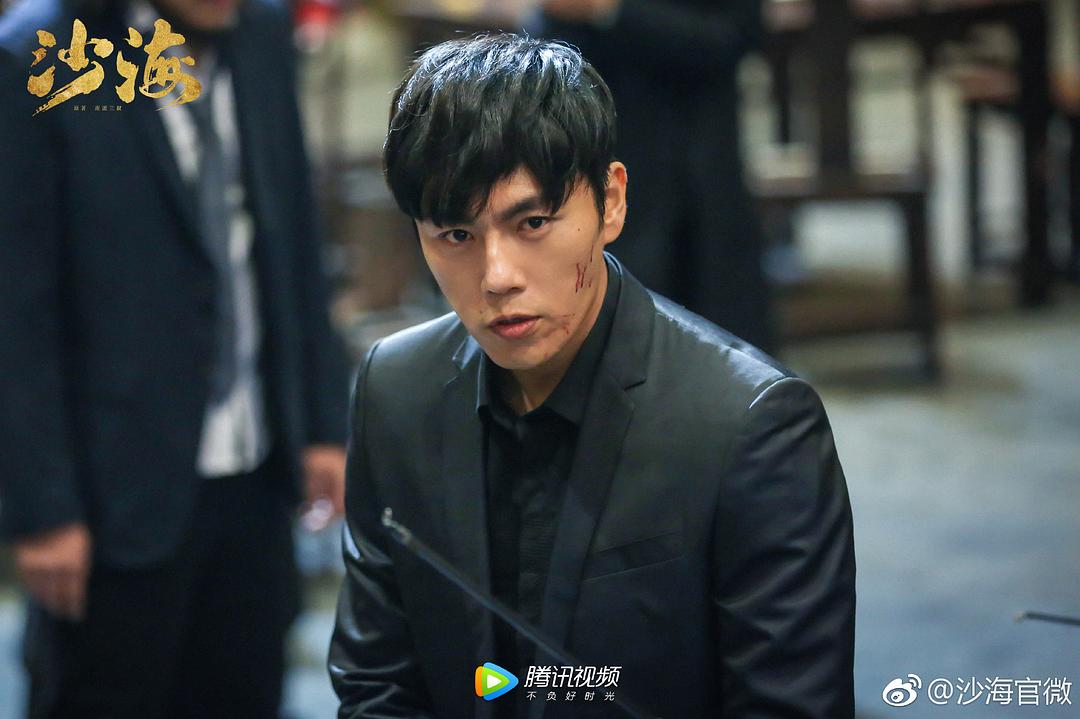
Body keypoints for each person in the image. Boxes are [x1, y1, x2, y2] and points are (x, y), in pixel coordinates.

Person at [329, 34, 854, 719]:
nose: (497, 277)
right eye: (456, 235)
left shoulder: (750, 425)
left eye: (533, 222)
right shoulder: (395, 390)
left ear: (611, 201)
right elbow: (377, 681)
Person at [0, 0, 349, 716]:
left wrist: (321, 420)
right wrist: (42, 508)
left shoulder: (258, 30)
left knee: (246, 690)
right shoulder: (42, 54)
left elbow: (291, 233)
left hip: (256, 472)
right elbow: (16, 308)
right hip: (111, 493)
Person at [538, 0, 776, 353]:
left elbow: (731, 36)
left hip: (696, 152)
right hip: (597, 138)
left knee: (716, 323)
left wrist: (607, 10)